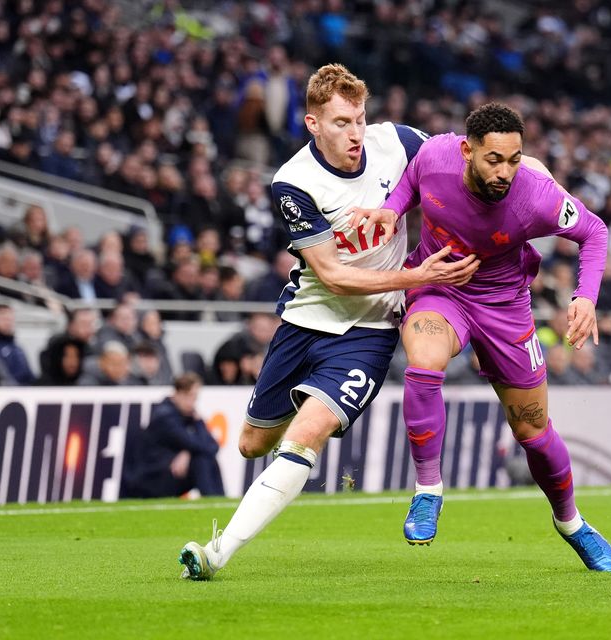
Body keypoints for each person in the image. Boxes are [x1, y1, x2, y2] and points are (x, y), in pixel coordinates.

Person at [178, 64, 479, 581]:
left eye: (360, 118)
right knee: (253, 444)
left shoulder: (399, 141)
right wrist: (417, 277)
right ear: (313, 123)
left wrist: (528, 173)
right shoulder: (293, 182)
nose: (356, 133)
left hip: (368, 333)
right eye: (341, 122)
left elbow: (468, 154)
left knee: (305, 435)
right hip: (306, 318)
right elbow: (335, 277)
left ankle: (216, 553)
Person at [349, 103, 611, 571]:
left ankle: (571, 523)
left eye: (514, 159)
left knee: (533, 432)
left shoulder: (536, 195)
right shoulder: (436, 155)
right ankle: (428, 491)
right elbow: (413, 177)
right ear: (467, 150)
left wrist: (586, 296)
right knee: (424, 363)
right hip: (440, 288)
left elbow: (594, 232)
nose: (506, 171)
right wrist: (392, 212)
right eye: (494, 159)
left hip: (505, 308)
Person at [121, 373, 224, 499]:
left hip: (167, 471)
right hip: (150, 478)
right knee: (200, 459)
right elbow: (195, 444)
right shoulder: (164, 417)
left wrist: (187, 452)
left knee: (205, 458)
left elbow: (213, 447)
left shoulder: (184, 414)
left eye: (195, 398)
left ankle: (218, 500)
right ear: (177, 393)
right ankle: (213, 500)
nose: (192, 402)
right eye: (189, 396)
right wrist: (197, 425)